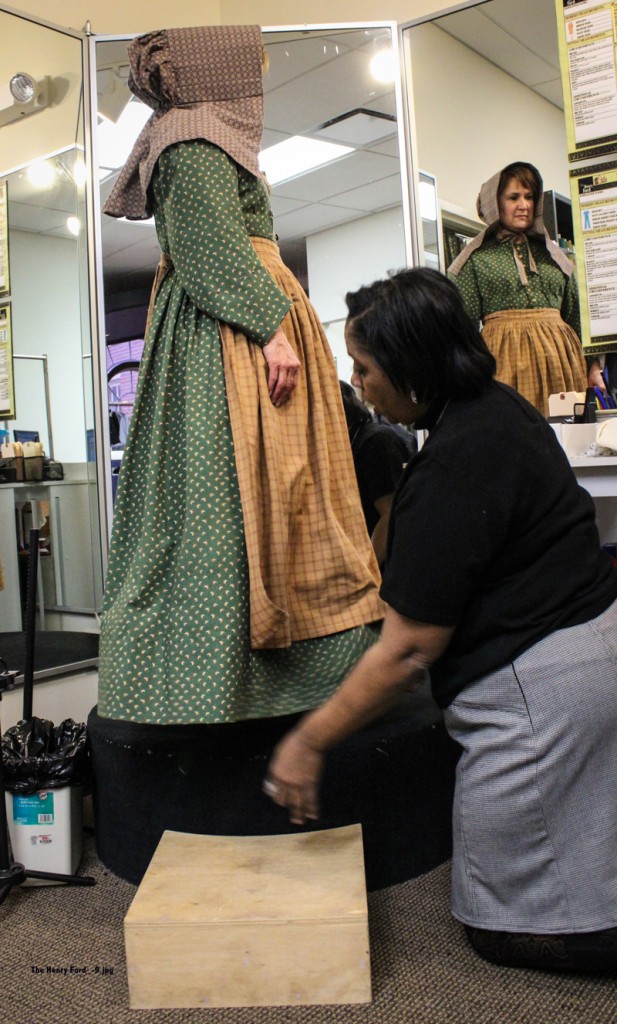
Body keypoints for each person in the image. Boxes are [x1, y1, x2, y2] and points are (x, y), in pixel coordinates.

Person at [264, 267, 617, 975]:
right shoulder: (497, 409)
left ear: (412, 366)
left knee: (501, 924)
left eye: (365, 368)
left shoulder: (453, 463)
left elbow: (407, 652)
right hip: (590, 649)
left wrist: (307, 742)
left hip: (541, 690)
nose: (358, 383)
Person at [97, 25, 383, 726]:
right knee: (240, 490)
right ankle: (227, 677)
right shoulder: (191, 139)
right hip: (229, 336)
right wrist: (269, 330)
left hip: (240, 322)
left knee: (281, 491)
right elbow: (208, 245)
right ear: (212, 69)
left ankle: (299, 659)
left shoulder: (203, 139)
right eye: (248, 65)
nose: (256, 79)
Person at [448, 160, 605, 415]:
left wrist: (592, 366)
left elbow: (576, 317)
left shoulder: (555, 256)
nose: (524, 205)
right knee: (513, 430)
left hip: (562, 364)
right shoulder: (475, 260)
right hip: (505, 366)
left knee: (565, 431)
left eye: (529, 197)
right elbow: (462, 330)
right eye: (514, 197)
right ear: (495, 204)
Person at [339, 380, 415, 566]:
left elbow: (389, 515)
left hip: (387, 565)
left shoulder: (375, 441)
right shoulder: (354, 441)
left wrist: (367, 569)